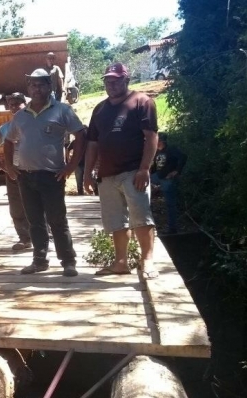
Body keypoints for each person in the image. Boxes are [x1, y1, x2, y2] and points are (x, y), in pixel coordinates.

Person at [4, 69, 86, 277]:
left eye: (41, 84)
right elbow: (8, 140)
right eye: (33, 85)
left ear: (49, 86)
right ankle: (39, 260)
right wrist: (10, 166)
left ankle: (68, 261)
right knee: (34, 221)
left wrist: (71, 166)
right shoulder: (21, 115)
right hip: (26, 176)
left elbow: (80, 135)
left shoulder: (62, 110)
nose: (37, 89)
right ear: (28, 88)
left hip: (52, 175)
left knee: (57, 220)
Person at [84, 62, 159, 279]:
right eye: (108, 81)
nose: (111, 84)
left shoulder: (141, 102)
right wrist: (87, 174)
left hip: (133, 171)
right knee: (115, 221)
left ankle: (147, 261)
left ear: (126, 80)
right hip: (106, 175)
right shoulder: (100, 109)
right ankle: (120, 262)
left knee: (141, 216)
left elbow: (151, 136)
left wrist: (144, 168)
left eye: (116, 80)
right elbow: (92, 144)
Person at [0, 92, 32, 251]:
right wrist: (1, 165)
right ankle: (24, 238)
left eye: (18, 103)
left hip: (33, 170)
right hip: (14, 172)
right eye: (11, 104)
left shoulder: (33, 125)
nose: (14, 107)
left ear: (25, 105)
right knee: (16, 206)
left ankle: (44, 237)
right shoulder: (5, 128)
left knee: (36, 204)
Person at [150, 132, 185, 234]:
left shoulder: (171, 150)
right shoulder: (156, 151)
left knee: (170, 204)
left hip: (168, 179)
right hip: (158, 176)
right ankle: (149, 223)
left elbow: (183, 157)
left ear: (161, 141)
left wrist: (176, 171)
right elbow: (155, 166)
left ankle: (172, 228)